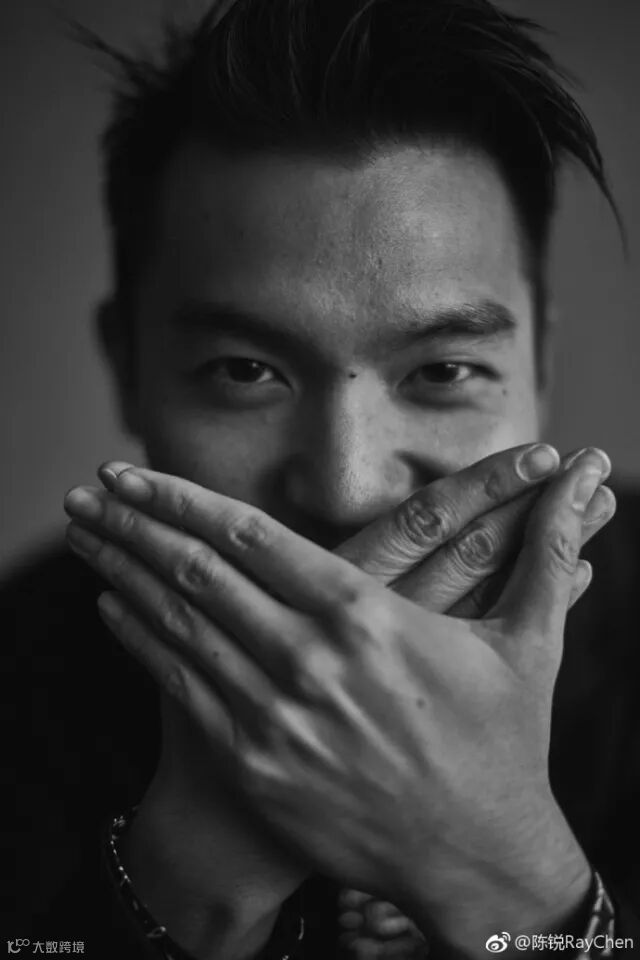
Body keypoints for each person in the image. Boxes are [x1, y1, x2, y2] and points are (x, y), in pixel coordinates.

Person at [4, 1, 640, 958]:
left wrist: (506, 873)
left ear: (539, 367)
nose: (349, 488)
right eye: (244, 372)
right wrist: (195, 872)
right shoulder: (19, 678)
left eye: (442, 370)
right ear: (127, 367)